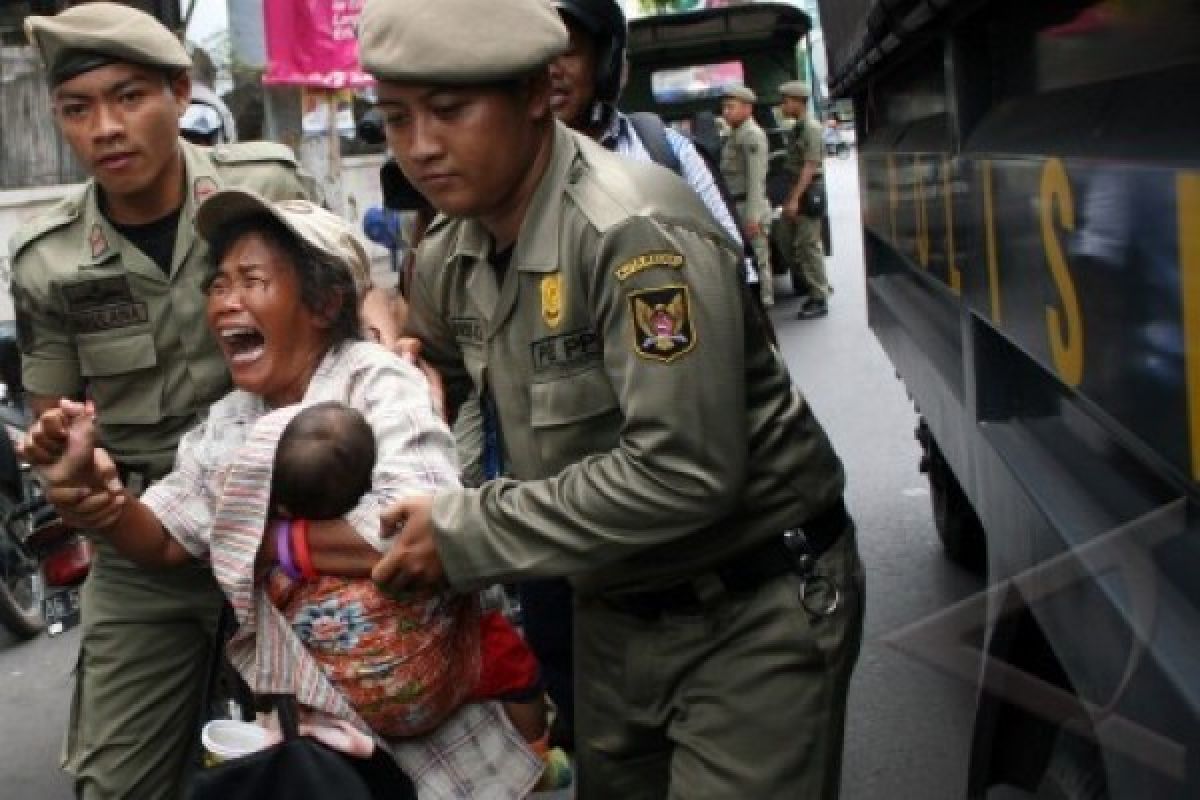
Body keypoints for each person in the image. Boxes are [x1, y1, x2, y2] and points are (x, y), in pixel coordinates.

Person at [354, 0, 866, 797]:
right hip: (612, 611)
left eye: (450, 111)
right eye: (395, 118)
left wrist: (462, 531)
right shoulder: (453, 249)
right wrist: (387, 352)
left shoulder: (632, 228)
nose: (420, 146)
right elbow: (442, 377)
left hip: (747, 608)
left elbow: (684, 473)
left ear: (535, 91)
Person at [25, 190, 545, 799]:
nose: (226, 303)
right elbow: (166, 538)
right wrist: (99, 499)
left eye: (251, 280)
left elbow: (416, 534)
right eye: (218, 285)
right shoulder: (230, 420)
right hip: (320, 728)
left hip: (442, 734)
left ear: (324, 302)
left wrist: (269, 541)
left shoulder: (380, 384)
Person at [9, 4, 318, 796]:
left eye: (129, 97)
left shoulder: (266, 186)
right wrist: (66, 461)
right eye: (79, 110)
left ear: (180, 94)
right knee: (115, 785)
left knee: (362, 755)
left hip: (298, 522)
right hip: (148, 536)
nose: (105, 128)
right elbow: (55, 420)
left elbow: (341, 311)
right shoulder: (49, 262)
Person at [779, 80, 832, 320]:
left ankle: (819, 297)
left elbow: (809, 167)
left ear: (799, 102)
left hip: (808, 191)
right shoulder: (797, 127)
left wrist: (795, 199)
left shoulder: (810, 128)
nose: (783, 105)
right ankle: (817, 284)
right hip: (798, 188)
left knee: (808, 245)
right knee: (788, 239)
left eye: (786, 100)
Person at [720, 85, 775, 307]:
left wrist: (753, 217)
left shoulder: (751, 136)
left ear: (747, 109)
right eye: (724, 107)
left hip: (748, 206)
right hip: (736, 205)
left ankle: (765, 301)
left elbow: (755, 179)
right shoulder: (736, 133)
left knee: (758, 258)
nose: (726, 112)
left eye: (731, 107)